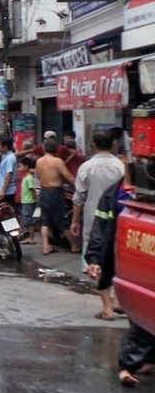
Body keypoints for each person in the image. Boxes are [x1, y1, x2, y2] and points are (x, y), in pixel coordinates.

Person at [78, 166, 153, 386]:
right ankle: (132, 363)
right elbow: (102, 227)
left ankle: (141, 361)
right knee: (140, 317)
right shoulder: (114, 192)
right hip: (120, 254)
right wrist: (93, 257)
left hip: (139, 258)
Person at [71, 129, 125, 320]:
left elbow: (79, 197)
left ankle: (107, 309)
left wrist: (74, 221)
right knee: (118, 260)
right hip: (119, 219)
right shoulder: (121, 166)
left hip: (95, 220)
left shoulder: (87, 167)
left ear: (93, 145)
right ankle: (118, 301)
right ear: (114, 144)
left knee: (97, 261)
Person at [36, 137, 78, 255]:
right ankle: (74, 245)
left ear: (44, 148)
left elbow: (38, 177)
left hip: (44, 191)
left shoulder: (39, 161)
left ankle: (45, 246)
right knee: (63, 220)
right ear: (56, 149)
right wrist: (79, 185)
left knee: (45, 221)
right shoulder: (57, 161)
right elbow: (68, 176)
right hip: (55, 193)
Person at [18, 157, 39, 245]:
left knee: (29, 221)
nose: (18, 168)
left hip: (29, 202)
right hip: (25, 201)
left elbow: (32, 190)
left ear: (26, 167)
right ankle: (27, 237)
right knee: (26, 220)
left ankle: (31, 238)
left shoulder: (29, 178)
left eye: (20, 166)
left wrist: (35, 199)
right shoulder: (26, 177)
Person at [0, 137, 18, 208]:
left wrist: (3, 191)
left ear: (5, 146)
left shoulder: (10, 158)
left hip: (7, 192)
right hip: (3, 191)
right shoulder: (4, 157)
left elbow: (9, 174)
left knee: (6, 214)